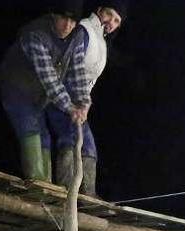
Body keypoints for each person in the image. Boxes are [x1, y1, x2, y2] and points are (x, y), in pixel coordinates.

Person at [0, 0, 91, 185]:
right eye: (63, 19)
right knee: (29, 127)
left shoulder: (77, 35)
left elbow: (78, 72)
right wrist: (71, 108)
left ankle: (46, 184)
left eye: (73, 21)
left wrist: (83, 103)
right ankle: (37, 182)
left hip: (39, 96)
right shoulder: (35, 34)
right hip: (17, 88)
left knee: (44, 135)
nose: (67, 26)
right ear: (53, 14)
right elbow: (50, 81)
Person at [68, 2, 127, 197]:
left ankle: (86, 195)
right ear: (100, 10)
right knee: (73, 141)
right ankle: (69, 192)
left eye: (117, 20)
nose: (112, 22)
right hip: (65, 95)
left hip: (79, 100)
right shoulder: (85, 30)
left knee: (86, 145)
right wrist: (77, 101)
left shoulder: (101, 39)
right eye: (110, 14)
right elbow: (72, 66)